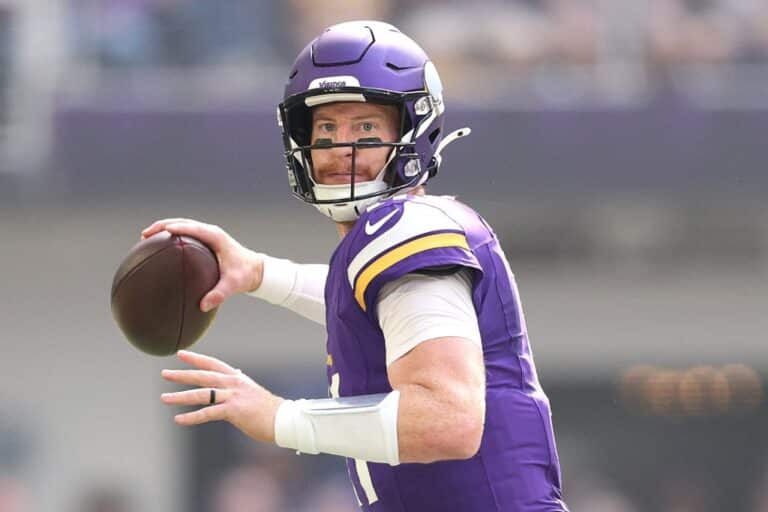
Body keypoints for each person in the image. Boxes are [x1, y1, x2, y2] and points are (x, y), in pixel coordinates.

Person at [142, 20, 569, 511]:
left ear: (413, 131)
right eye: (326, 128)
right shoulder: (390, 243)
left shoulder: (408, 230)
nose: (340, 149)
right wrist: (258, 273)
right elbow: (369, 305)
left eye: (365, 128)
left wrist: (281, 418)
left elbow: (449, 420)